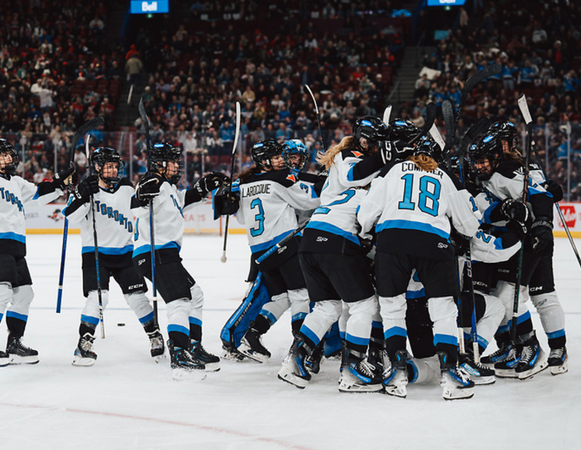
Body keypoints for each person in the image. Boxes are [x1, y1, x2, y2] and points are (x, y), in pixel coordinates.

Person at [358, 134, 481, 400]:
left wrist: (368, 231)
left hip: (392, 240)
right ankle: (450, 373)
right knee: (442, 309)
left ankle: (396, 372)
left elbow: (366, 213)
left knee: (392, 307)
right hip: (433, 242)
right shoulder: (444, 175)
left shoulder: (391, 170)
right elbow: (468, 225)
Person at [277, 116, 390, 389]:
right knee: (365, 305)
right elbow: (356, 181)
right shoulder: (351, 158)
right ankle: (353, 369)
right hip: (337, 239)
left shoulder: (349, 161)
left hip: (312, 238)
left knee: (329, 306)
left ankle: (296, 359)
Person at [0, 138, 74, 366]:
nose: (9, 158)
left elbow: (38, 194)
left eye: (9, 154)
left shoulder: (16, 182)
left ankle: (14, 343)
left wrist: (59, 182)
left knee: (24, 295)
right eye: (3, 155)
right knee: (1, 293)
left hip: (15, 246)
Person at [469, 125, 565, 377]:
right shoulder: (487, 173)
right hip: (511, 238)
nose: (479, 166)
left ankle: (540, 348)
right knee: (503, 294)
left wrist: (543, 224)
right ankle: (516, 346)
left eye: (483, 160)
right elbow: (485, 207)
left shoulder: (509, 171)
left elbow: (540, 195)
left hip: (530, 238)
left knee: (536, 295)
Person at [132, 142, 228, 379]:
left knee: (195, 296)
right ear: (161, 165)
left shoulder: (169, 188)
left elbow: (185, 199)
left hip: (165, 252)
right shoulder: (153, 184)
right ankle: (179, 352)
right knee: (180, 301)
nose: (177, 166)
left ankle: (193, 347)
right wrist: (144, 192)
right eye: (173, 162)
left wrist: (204, 185)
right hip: (155, 251)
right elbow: (137, 209)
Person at [62, 147, 164, 367]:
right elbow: (70, 216)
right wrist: (81, 195)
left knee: (137, 297)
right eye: (108, 166)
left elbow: (142, 212)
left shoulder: (127, 188)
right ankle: (84, 342)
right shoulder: (87, 188)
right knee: (99, 298)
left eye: (116, 166)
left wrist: (148, 196)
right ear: (97, 167)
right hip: (95, 253)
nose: (113, 170)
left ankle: (154, 334)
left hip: (125, 253)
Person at [232, 140, 321, 363]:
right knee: (301, 294)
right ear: (264, 161)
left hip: (259, 253)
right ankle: (300, 347)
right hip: (284, 246)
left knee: (281, 296)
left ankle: (252, 336)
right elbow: (309, 200)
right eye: (276, 157)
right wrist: (327, 185)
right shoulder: (280, 178)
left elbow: (241, 217)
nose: (282, 159)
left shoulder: (244, 184)